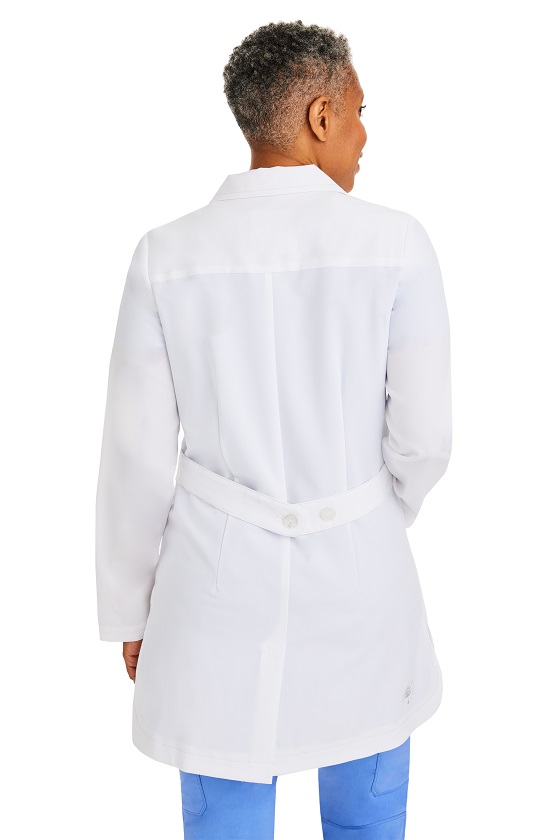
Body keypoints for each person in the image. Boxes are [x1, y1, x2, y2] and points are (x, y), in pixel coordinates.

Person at [95, 19, 452, 840]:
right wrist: (365, 511)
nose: (365, 135)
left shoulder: (164, 255)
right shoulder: (397, 244)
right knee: (367, 819)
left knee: (226, 820)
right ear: (321, 116)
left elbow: (135, 456)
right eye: (358, 112)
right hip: (363, 582)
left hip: (213, 588)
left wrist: (131, 610)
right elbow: (426, 437)